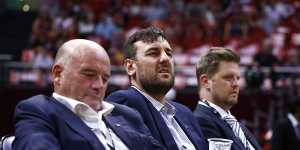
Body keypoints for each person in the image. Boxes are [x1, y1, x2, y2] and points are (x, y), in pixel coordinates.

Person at [13, 39, 164, 150]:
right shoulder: (38, 110)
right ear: (58, 74)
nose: (99, 86)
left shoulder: (127, 114)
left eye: (105, 79)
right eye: (89, 74)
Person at [105, 27, 207, 150]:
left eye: (169, 53)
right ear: (131, 66)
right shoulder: (124, 102)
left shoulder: (185, 113)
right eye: (153, 53)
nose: (165, 59)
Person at [193, 47, 261, 150]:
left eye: (237, 78)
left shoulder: (235, 124)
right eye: (228, 78)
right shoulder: (201, 121)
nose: (236, 84)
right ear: (206, 81)